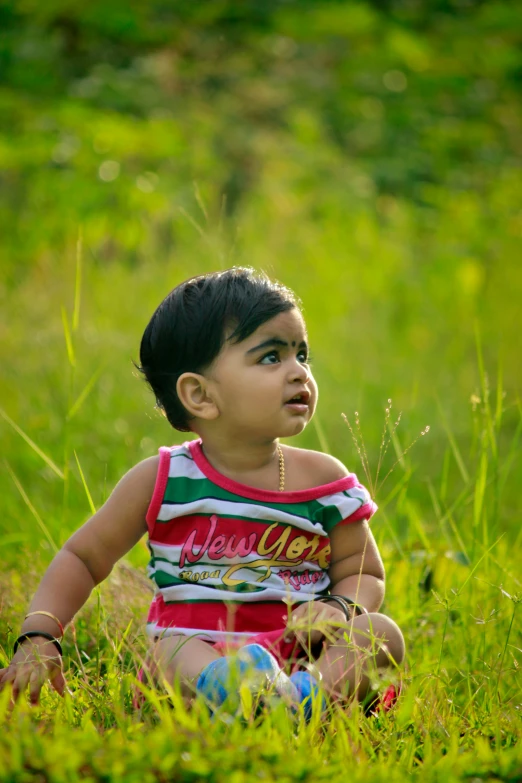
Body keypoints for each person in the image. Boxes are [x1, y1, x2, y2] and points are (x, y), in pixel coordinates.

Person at [0, 267, 405, 717]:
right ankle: (242, 697)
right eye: (271, 357)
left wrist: (339, 605)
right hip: (198, 661)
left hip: (301, 658)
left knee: (380, 634)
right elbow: (83, 557)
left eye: (302, 355)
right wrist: (39, 634)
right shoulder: (163, 479)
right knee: (169, 652)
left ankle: (295, 703)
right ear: (200, 395)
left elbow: (363, 570)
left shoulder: (323, 480)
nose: (298, 374)